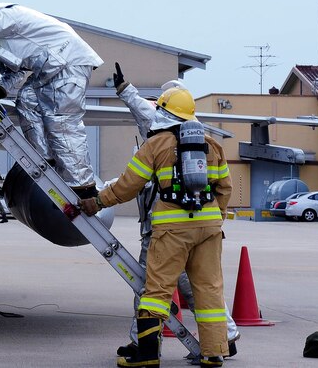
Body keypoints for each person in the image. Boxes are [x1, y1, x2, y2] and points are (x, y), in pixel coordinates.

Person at [80, 85, 233, 368]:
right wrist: (215, 220)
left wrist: (99, 202)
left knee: (157, 291)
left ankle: (147, 355)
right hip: (209, 229)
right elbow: (225, 187)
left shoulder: (156, 144)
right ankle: (214, 353)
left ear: (163, 111)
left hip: (171, 230)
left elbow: (128, 186)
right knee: (209, 290)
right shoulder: (213, 145)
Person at [0, 0, 104, 198]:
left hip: (68, 64)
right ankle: (45, 160)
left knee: (62, 123)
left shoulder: (6, 15)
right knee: (26, 101)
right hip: (51, 69)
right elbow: (14, 72)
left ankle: (83, 186)